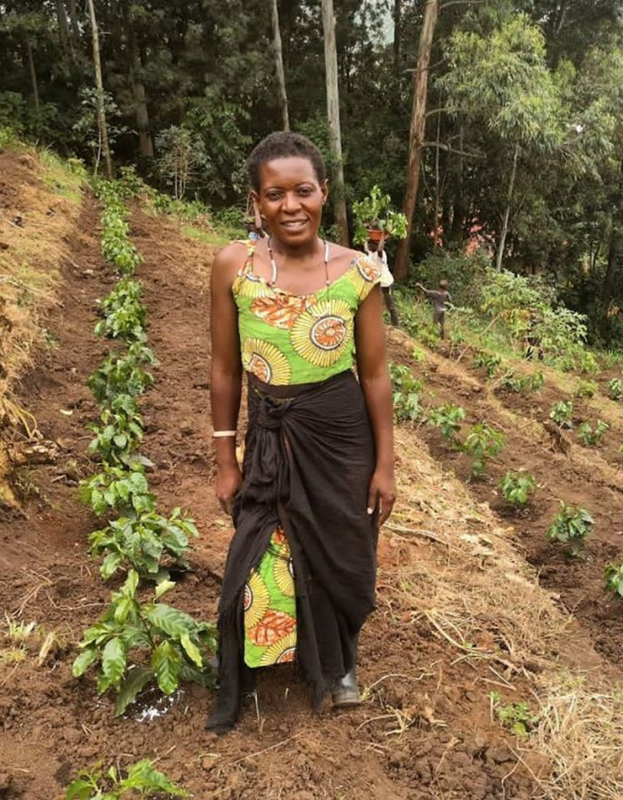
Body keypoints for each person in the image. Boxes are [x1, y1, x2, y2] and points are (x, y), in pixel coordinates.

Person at [207, 131, 395, 733]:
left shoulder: (359, 274)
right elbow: (223, 367)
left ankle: (338, 667)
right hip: (270, 432)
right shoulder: (234, 266)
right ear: (256, 203)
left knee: (343, 551)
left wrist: (385, 464)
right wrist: (225, 456)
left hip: (340, 435)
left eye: (303, 191)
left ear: (323, 194)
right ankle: (266, 650)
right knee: (258, 545)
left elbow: (374, 374)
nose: (290, 205)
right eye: (275, 193)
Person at [365, 233, 400, 327]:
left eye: (371, 244)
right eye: (368, 244)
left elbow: (380, 248)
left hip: (386, 283)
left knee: (391, 306)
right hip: (377, 283)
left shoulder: (381, 254)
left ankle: (396, 326)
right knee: (375, 304)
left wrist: (383, 236)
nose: (368, 246)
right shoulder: (370, 253)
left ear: (376, 245)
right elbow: (364, 240)